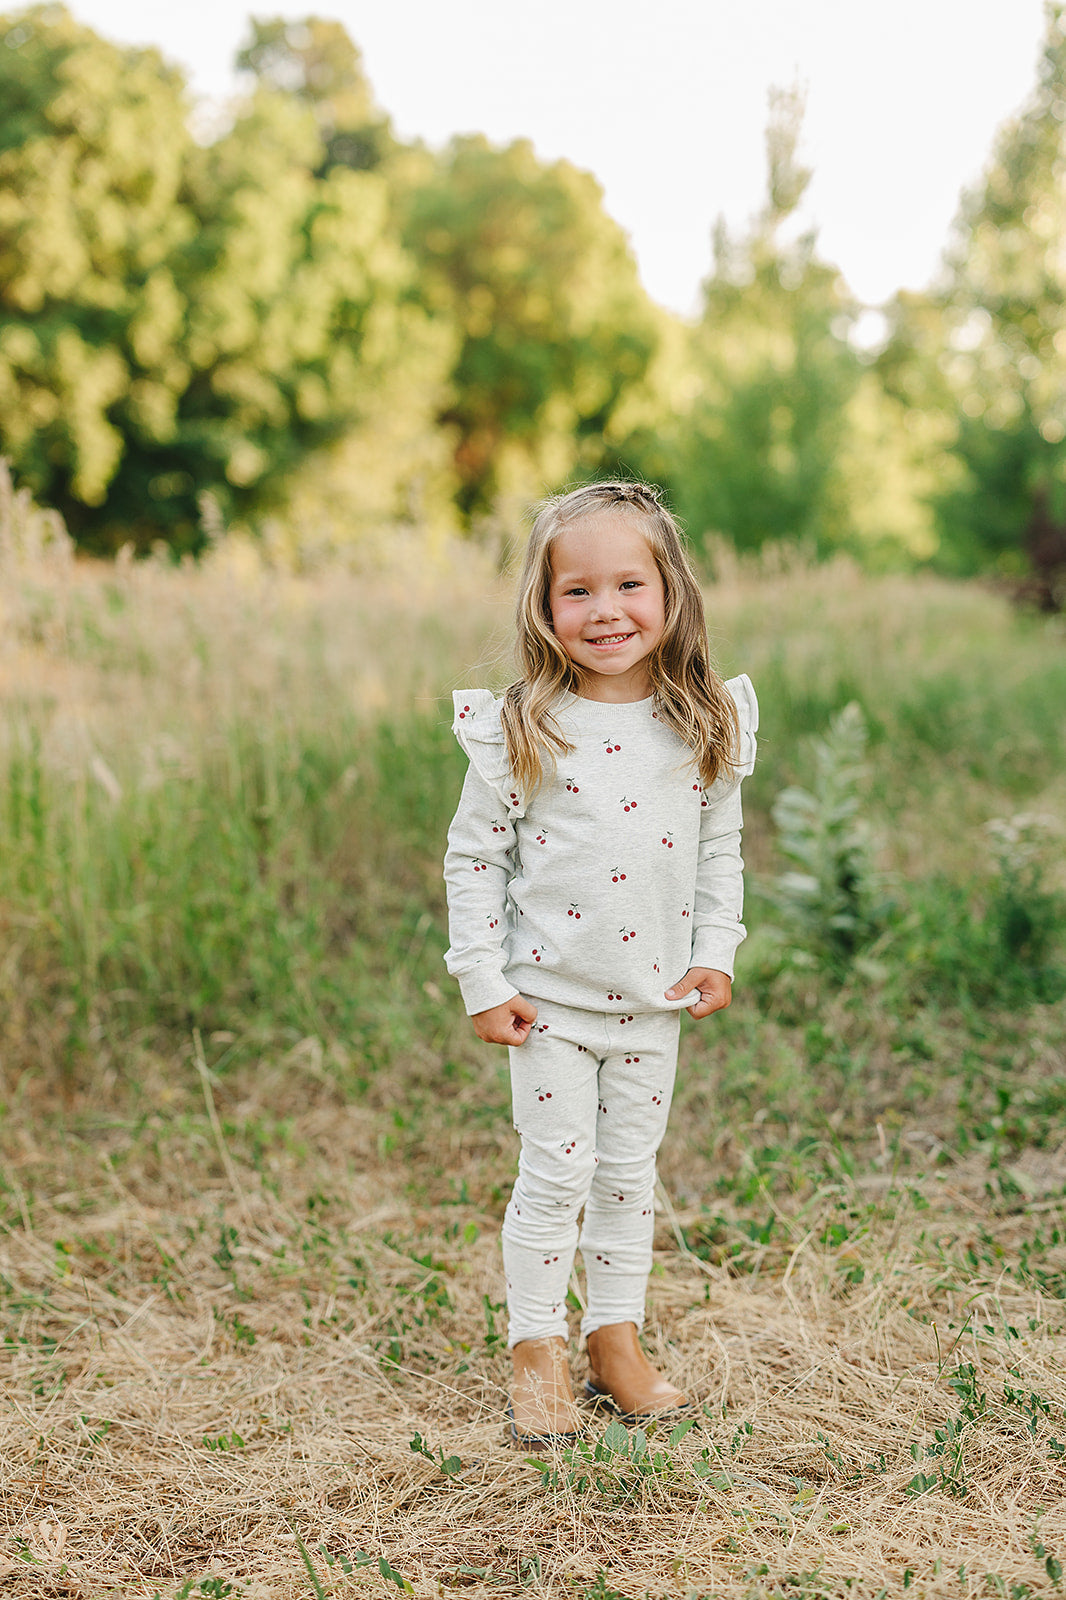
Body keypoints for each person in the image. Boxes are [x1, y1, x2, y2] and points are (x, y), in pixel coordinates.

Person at [443, 481, 757, 1449]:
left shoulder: (702, 720)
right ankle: (535, 1349)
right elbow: (474, 856)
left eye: (628, 584)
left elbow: (719, 851)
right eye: (576, 590)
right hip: (548, 1003)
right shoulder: (524, 724)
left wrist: (715, 950)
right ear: (544, 604)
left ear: (670, 594)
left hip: (650, 1005)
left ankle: (613, 1340)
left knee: (628, 1177)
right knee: (555, 1173)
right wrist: (482, 977)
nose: (605, 609)